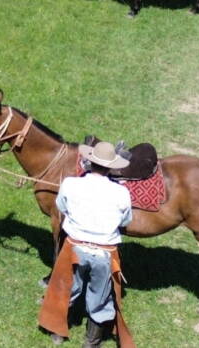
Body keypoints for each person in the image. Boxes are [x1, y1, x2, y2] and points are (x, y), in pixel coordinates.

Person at [40, 140, 133, 348]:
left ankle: (58, 332)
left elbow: (61, 207)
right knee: (100, 296)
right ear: (111, 167)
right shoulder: (122, 193)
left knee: (67, 288)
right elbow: (125, 221)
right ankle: (92, 343)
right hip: (104, 253)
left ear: (89, 163)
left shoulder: (70, 184)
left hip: (74, 248)